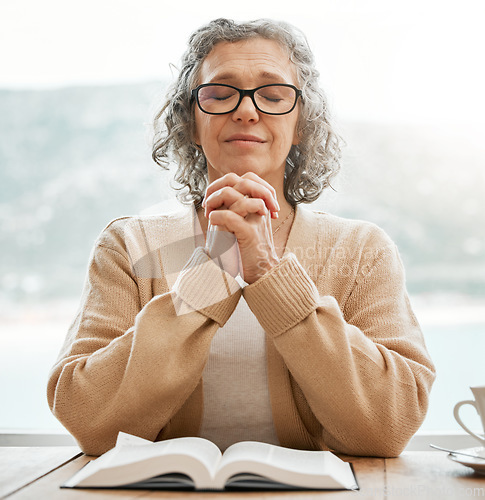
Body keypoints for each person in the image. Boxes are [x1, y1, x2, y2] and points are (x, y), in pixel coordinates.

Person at [47, 18, 435, 457]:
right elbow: (89, 421)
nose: (246, 110)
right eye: (219, 94)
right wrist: (209, 276)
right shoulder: (129, 247)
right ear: (191, 123)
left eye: (273, 96)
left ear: (301, 124)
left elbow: (389, 425)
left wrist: (270, 273)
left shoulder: (363, 250)